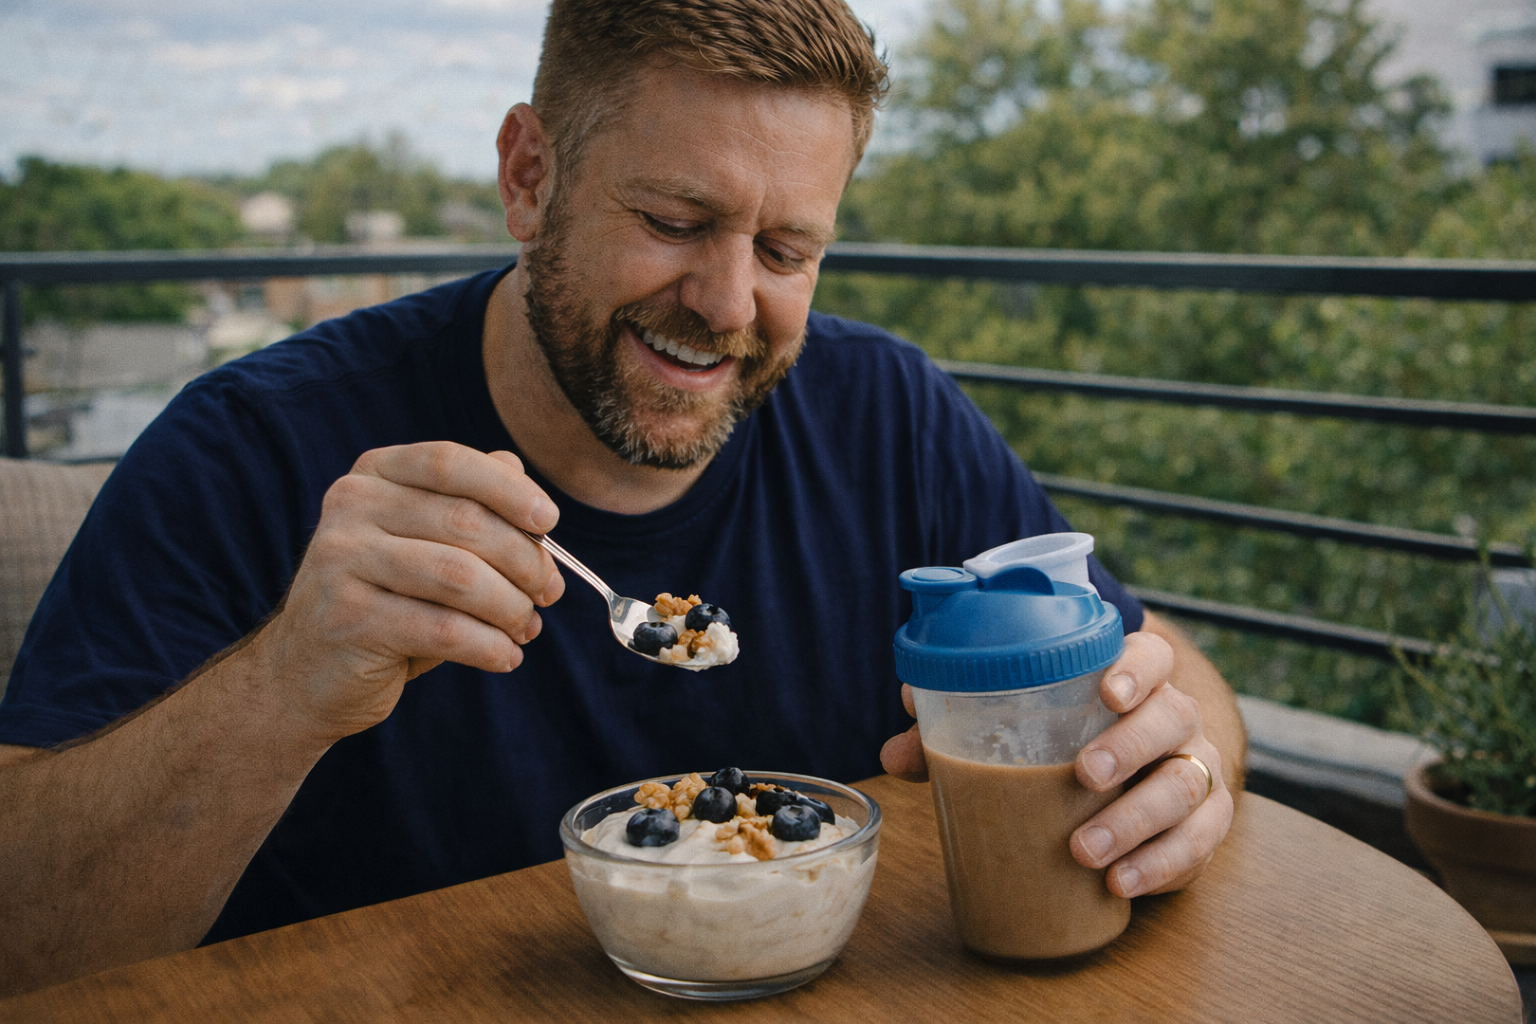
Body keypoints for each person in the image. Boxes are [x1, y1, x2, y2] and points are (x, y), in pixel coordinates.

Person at [0, 0, 1244, 995]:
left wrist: (1175, 754)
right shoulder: (254, 449)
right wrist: (283, 686)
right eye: (673, 219)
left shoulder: (890, 416)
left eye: (786, 250)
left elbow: (1166, 672)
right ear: (530, 174)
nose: (725, 301)